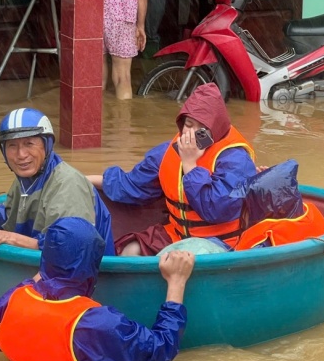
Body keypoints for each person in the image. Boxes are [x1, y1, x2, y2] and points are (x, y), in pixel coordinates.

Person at [0, 217, 195, 361]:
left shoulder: (13, 300)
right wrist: (176, 282)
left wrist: (45, 273)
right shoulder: (95, 323)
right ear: (92, 266)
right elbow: (162, 347)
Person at [87, 82, 257, 255]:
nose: (192, 134)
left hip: (221, 242)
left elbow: (215, 210)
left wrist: (190, 165)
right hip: (177, 234)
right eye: (189, 125)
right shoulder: (167, 152)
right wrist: (83, 180)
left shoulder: (236, 160)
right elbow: (132, 185)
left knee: (177, 258)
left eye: (202, 129)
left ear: (216, 128)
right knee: (130, 251)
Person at [0, 108, 115, 255]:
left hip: (85, 279)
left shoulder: (67, 184)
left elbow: (68, 249)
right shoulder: (24, 181)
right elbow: (9, 220)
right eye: (12, 146)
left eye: (29, 144)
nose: (21, 154)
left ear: (47, 146)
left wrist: (9, 238)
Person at [102, 0, 150, 100]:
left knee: (96, 75)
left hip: (94, 14)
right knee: (122, 77)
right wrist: (140, 25)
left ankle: (96, 117)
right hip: (122, 18)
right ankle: (122, 119)